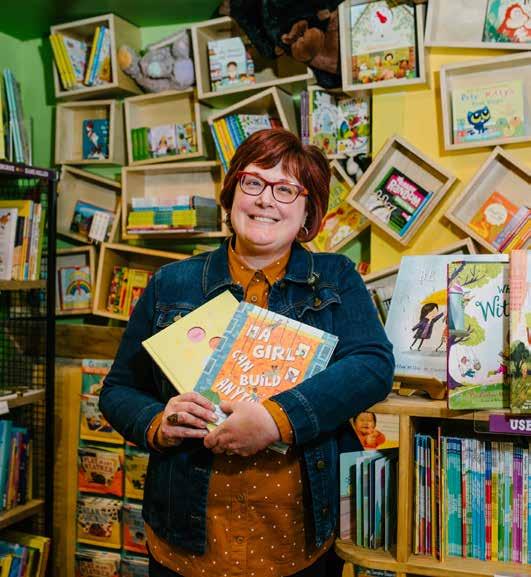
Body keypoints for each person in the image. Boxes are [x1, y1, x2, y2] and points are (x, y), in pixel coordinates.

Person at [99, 128, 394, 577]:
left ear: (308, 210)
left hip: (299, 544)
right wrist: (160, 422)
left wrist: (277, 420)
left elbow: (373, 365)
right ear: (233, 191)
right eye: (253, 182)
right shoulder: (171, 284)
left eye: (286, 189)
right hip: (185, 543)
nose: (264, 199)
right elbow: (118, 390)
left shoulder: (335, 278)